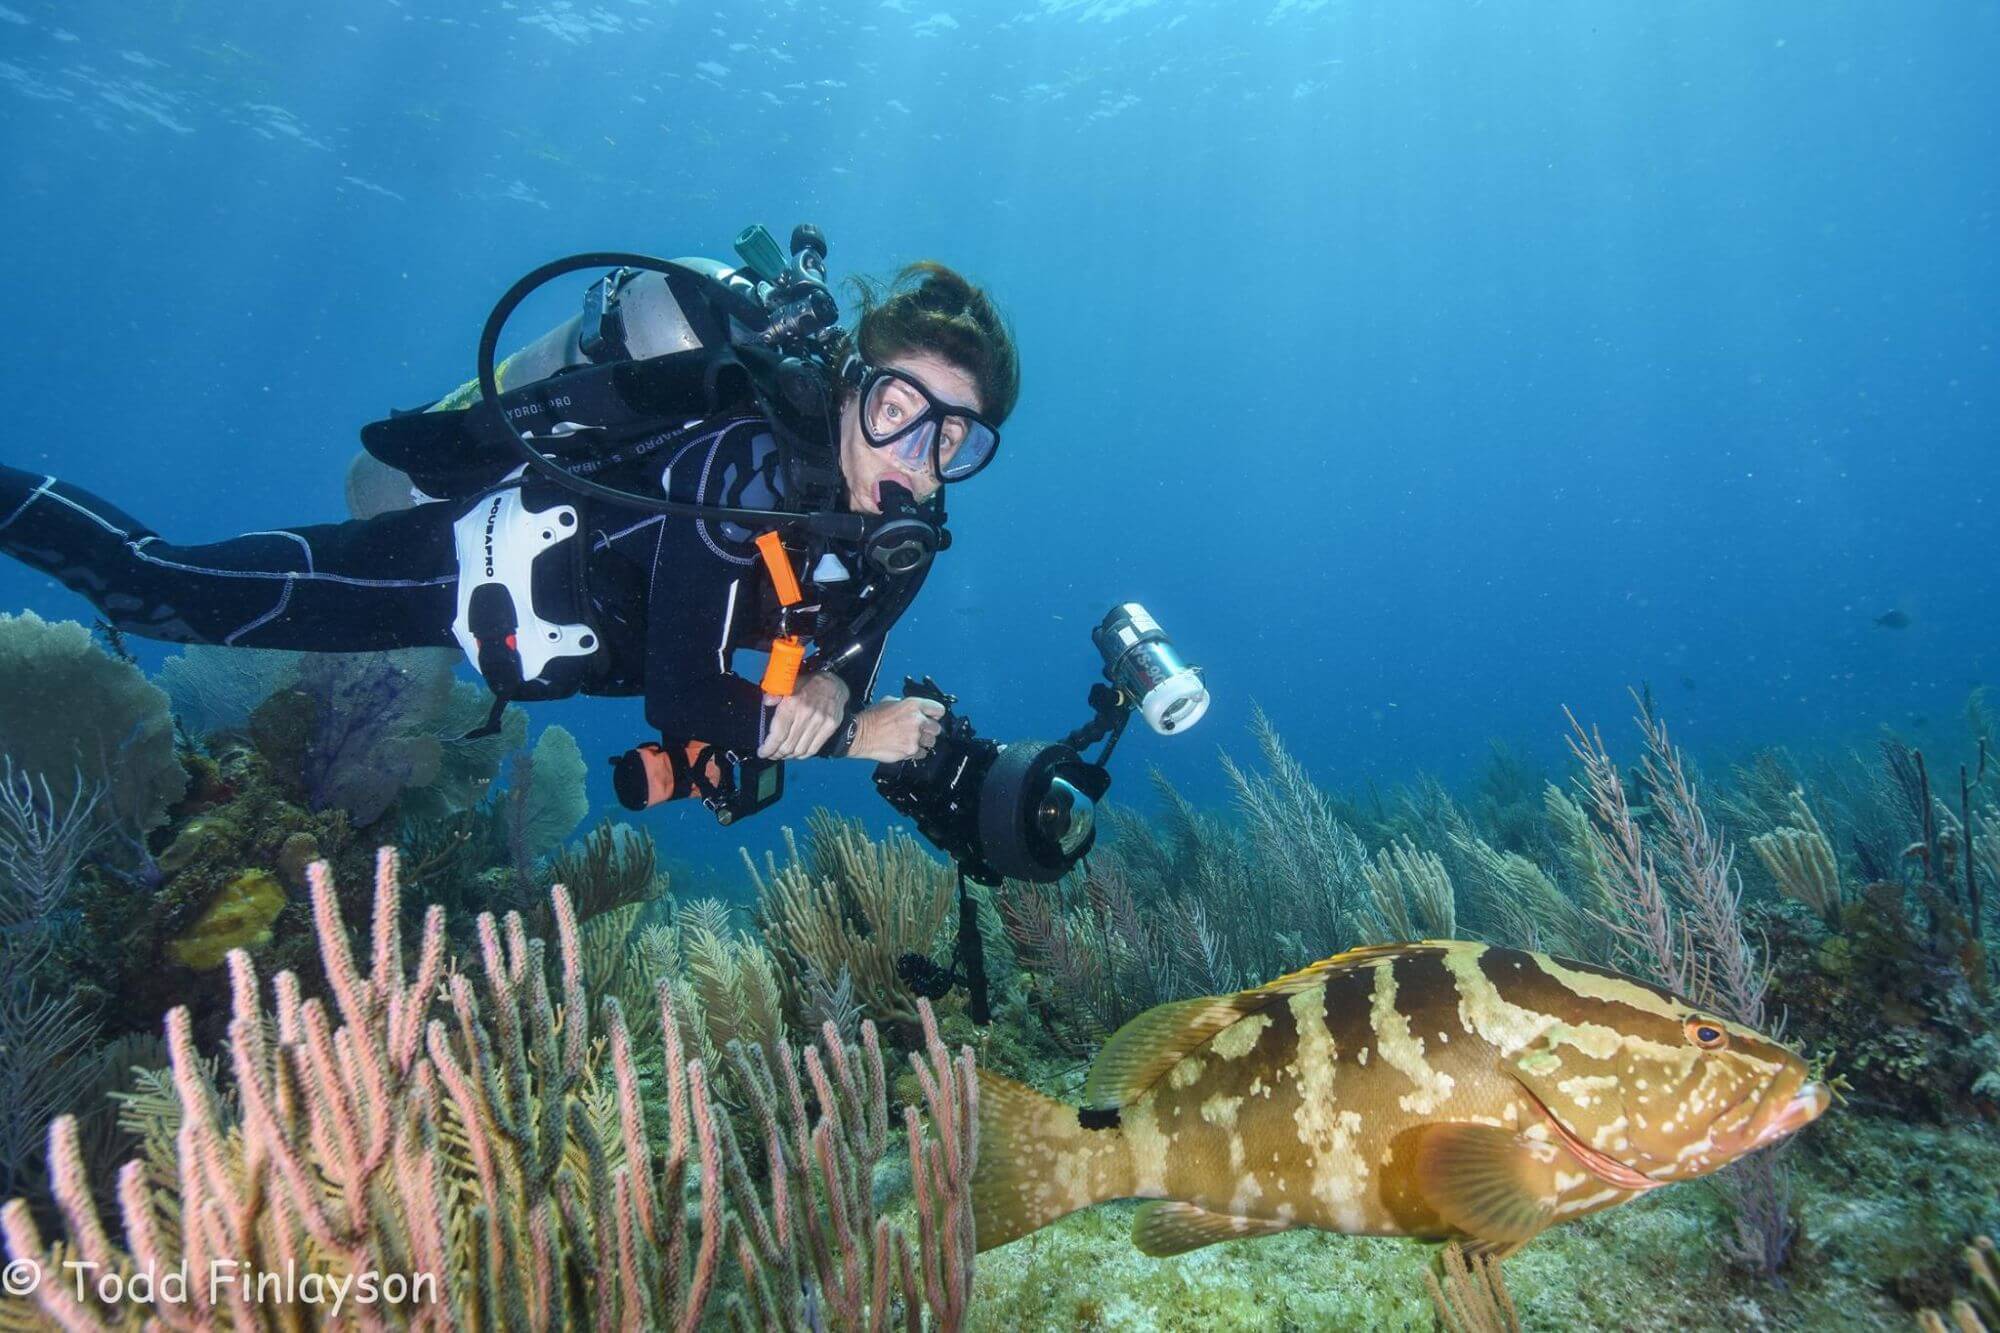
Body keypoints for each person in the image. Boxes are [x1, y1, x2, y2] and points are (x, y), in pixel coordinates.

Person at [0, 250, 1020, 817]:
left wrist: (836, 685)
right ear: (849, 390)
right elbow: (681, 691)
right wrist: (852, 735)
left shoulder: (902, 538)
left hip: (543, 625)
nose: (915, 450)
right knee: (158, 589)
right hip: (470, 566)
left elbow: (847, 651)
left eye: (953, 434)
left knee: (164, 590)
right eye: (897, 406)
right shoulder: (741, 471)